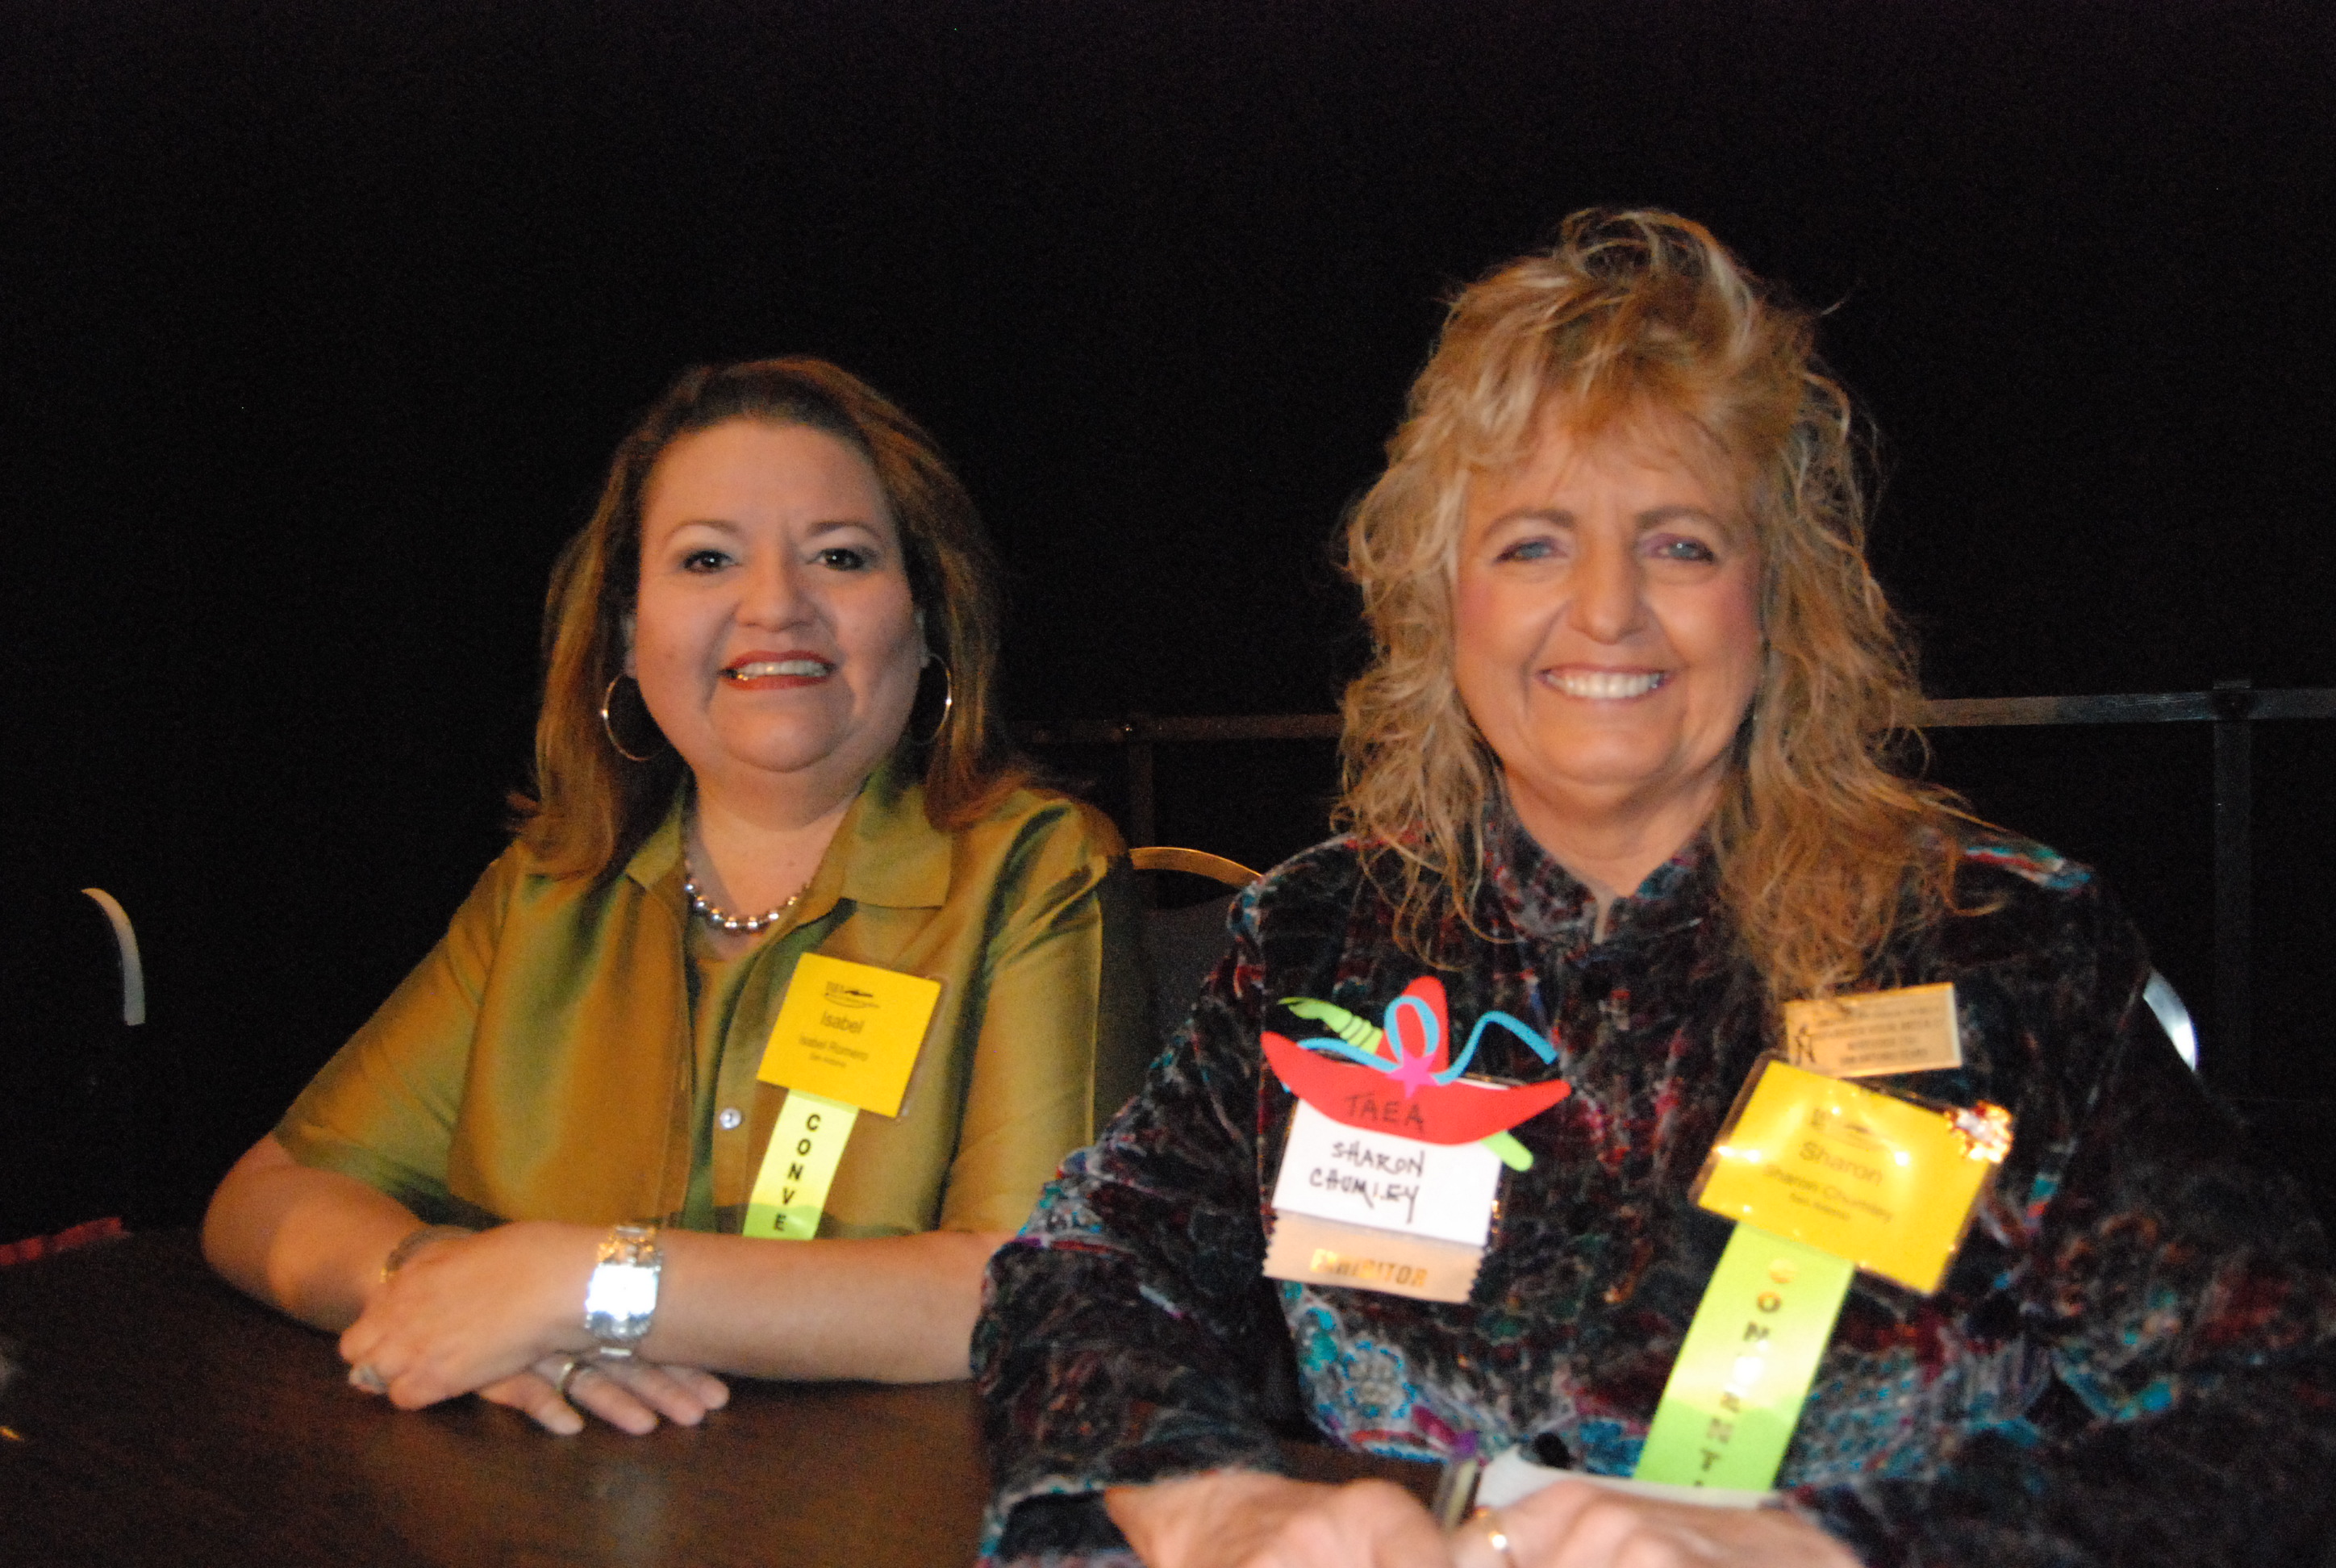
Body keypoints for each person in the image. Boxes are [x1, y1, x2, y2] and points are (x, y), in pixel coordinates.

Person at [974, 212, 2336, 1566]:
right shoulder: (1325, 943)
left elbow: (2282, 1388)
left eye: (1681, 544)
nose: (1609, 610)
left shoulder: (1995, 952)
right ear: (1442, 600)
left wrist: (1834, 1547)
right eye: (1533, 544)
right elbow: (1085, 1268)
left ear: (1778, 597)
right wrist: (1209, 1497)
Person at [204, 357, 1151, 1436]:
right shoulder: (548, 895)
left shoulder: (1034, 869)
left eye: (840, 556)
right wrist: (442, 1289)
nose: (776, 606)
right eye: (708, 559)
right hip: (561, 1494)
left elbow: (1025, 1288)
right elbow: (267, 1195)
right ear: (625, 629)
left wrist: (588, 1286)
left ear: (929, 618)